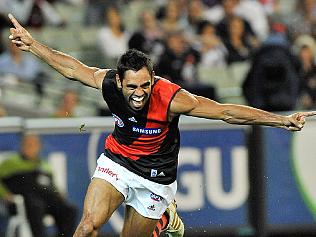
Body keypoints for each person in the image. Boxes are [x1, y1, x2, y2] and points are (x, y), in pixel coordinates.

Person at [7, 13, 316, 237]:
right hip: (117, 161)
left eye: (145, 86)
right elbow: (72, 68)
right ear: (120, 81)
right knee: (87, 225)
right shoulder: (108, 83)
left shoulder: (171, 98)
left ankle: (164, 217)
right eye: (132, 88)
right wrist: (33, 45)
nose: (140, 94)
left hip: (156, 178)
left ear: (152, 79)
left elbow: (226, 112)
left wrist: (280, 120)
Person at [0, 133, 78, 237]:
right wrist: (5, 194)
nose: (31, 148)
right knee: (36, 206)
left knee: (69, 210)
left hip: (45, 199)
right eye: (28, 144)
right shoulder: (10, 163)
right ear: (22, 146)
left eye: (34, 145)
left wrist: (58, 192)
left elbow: (52, 185)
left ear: (40, 147)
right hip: (23, 202)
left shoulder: (44, 165)